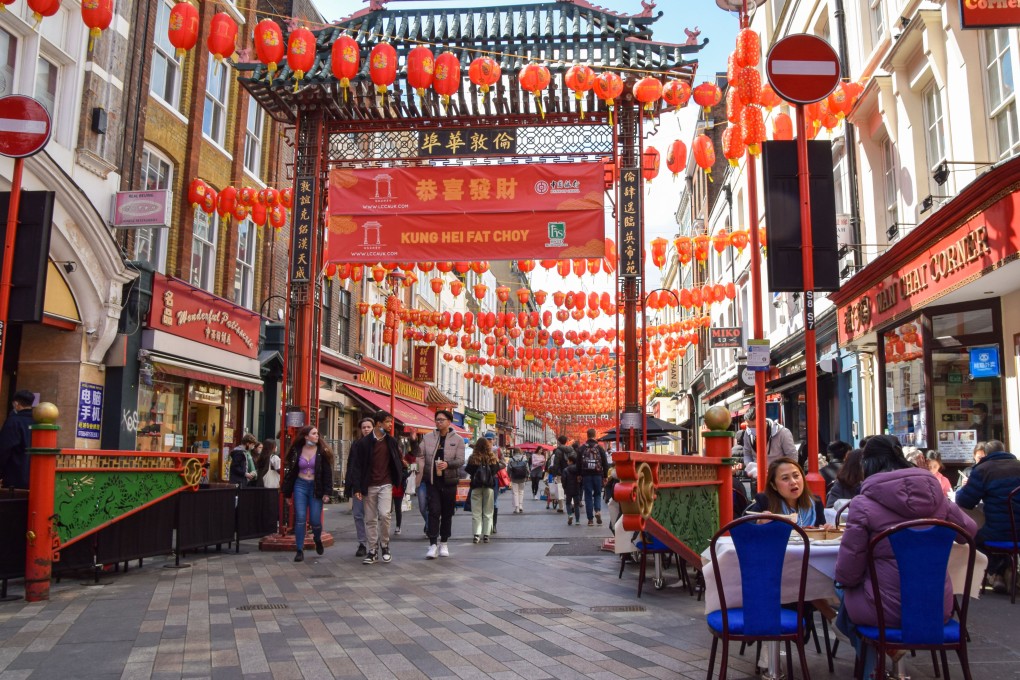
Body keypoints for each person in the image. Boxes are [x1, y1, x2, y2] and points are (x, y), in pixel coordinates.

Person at [833, 435, 977, 677]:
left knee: (841, 589)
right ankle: (878, 661)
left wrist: (845, 583)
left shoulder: (863, 503)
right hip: (936, 609)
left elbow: (849, 568)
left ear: (867, 464)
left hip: (881, 612)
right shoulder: (937, 496)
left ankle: (870, 668)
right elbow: (969, 532)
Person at [955, 439, 1020, 594]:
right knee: (1000, 531)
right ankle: (1006, 572)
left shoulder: (983, 469)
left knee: (973, 536)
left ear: (987, 454)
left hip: (997, 532)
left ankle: (995, 573)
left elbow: (965, 501)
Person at [347, 411, 403, 565]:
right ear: (379, 424)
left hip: (385, 484)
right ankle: (372, 550)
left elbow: (397, 461)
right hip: (369, 485)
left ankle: (384, 545)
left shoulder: (391, 441)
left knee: (385, 515)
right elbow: (357, 467)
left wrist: (399, 479)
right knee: (370, 519)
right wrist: (357, 488)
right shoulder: (363, 443)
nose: (390, 425)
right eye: (388, 422)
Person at [417, 409, 465, 559]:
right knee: (433, 511)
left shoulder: (458, 439)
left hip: (449, 481)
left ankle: (444, 542)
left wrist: (447, 464)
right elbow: (420, 454)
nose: (438, 422)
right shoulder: (428, 437)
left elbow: (461, 460)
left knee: (447, 513)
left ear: (449, 422)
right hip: (432, 481)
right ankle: (432, 544)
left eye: (442, 420)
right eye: (437, 419)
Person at [281, 426, 333, 562]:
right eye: (314, 433)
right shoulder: (296, 450)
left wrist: (327, 492)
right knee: (300, 518)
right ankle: (299, 549)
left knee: (315, 520)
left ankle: (317, 538)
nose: (317, 436)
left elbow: (328, 473)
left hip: (316, 487)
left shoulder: (322, 451)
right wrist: (287, 493)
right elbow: (290, 472)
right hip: (300, 485)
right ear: (306, 436)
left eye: (317, 433)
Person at [744, 457, 826, 527]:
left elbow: (821, 530)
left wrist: (826, 530)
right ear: (774, 485)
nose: (793, 482)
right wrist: (759, 522)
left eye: (796, 476)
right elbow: (745, 527)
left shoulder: (815, 502)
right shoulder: (764, 501)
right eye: (785, 478)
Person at [731, 404, 797, 479]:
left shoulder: (782, 433)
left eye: (754, 426)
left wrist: (785, 472)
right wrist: (751, 468)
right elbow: (747, 453)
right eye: (749, 426)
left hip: (778, 475)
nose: (752, 429)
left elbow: (792, 455)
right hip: (757, 476)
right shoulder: (747, 433)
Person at [346, 417, 374, 557]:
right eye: (364, 427)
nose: (366, 429)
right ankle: (362, 543)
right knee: (358, 515)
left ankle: (373, 544)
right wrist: (350, 485)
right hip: (357, 485)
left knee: (372, 516)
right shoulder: (356, 444)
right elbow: (351, 465)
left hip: (373, 485)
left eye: (369, 427)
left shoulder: (378, 444)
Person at [464, 438, 501, 543]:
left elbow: (469, 471)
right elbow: (496, 471)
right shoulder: (492, 458)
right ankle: (486, 535)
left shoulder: (473, 458)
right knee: (488, 511)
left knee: (476, 512)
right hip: (489, 487)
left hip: (476, 487)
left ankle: (476, 534)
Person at [0, 389, 35, 489]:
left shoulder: (13, 421)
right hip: (35, 475)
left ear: (16, 404)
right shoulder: (38, 420)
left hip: (15, 475)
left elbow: (4, 448)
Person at [578, 428, 610, 526]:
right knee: (597, 494)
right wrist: (605, 476)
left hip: (586, 475)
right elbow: (605, 463)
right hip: (598, 474)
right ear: (595, 435)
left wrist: (579, 475)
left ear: (587, 435)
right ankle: (597, 511)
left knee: (588, 496)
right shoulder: (599, 448)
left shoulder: (582, 448)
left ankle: (590, 520)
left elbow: (578, 463)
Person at [546, 436, 571, 512]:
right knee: (570, 488)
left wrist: (554, 474)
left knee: (560, 489)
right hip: (569, 471)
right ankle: (572, 504)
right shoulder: (570, 449)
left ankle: (561, 507)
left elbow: (556, 463)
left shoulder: (558, 450)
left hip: (560, 473)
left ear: (559, 442)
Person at [506, 447, 530, 513]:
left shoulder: (511, 459)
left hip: (514, 477)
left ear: (514, 452)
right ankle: (520, 506)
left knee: (515, 492)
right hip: (522, 477)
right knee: (521, 492)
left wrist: (508, 476)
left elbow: (509, 469)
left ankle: (516, 508)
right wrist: (527, 475)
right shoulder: (524, 458)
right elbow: (527, 468)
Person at [561, 452, 582, 526]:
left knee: (568, 503)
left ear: (571, 461)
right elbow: (580, 479)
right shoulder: (578, 469)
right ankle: (577, 520)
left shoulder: (565, 470)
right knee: (576, 505)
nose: (567, 462)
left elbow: (563, 480)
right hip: (576, 489)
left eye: (568, 461)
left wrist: (564, 488)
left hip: (568, 489)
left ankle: (570, 515)